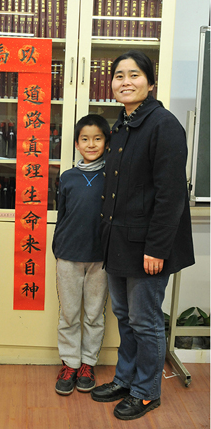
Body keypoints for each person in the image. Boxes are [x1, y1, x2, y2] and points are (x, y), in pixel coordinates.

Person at [91, 50, 195, 420]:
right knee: (124, 315)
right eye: (119, 75)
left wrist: (158, 248)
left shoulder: (164, 125)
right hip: (119, 242)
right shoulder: (121, 125)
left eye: (134, 75)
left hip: (148, 247)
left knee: (146, 320)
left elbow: (171, 195)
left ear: (150, 83)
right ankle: (126, 379)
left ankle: (147, 392)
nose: (125, 82)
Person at [52, 114, 110, 396]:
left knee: (94, 315)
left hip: (101, 259)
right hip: (68, 256)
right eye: (85, 139)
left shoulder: (112, 177)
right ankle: (70, 364)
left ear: (106, 142)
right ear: (76, 143)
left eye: (97, 138)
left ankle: (87, 364)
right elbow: (62, 214)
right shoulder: (68, 177)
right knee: (69, 314)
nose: (91, 144)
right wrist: (58, 247)